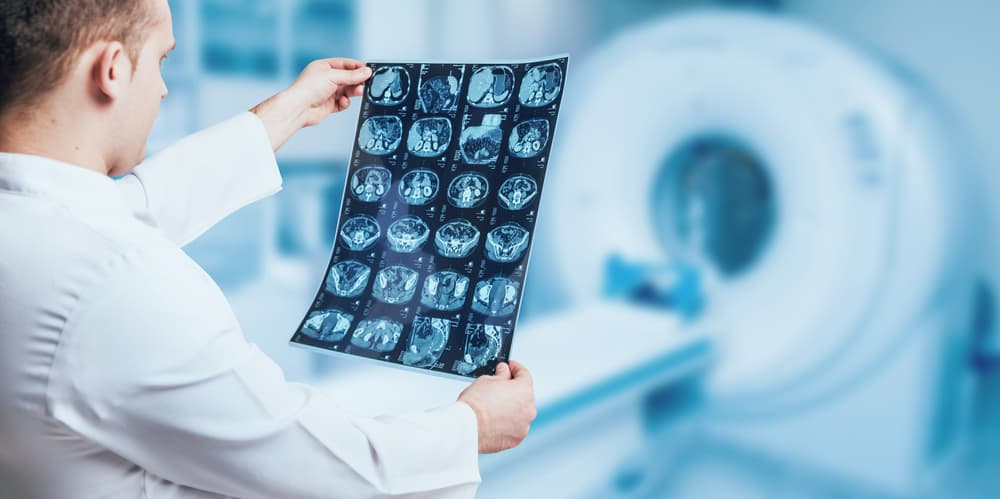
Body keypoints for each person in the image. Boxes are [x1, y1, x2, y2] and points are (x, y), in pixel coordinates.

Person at [0, 1, 536, 498]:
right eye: (161, 60)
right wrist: (473, 428)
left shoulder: (39, 224)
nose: (162, 88)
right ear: (111, 70)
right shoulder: (117, 284)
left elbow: (128, 210)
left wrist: (287, 113)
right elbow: (320, 472)